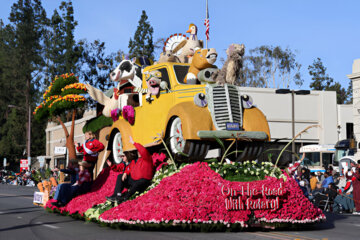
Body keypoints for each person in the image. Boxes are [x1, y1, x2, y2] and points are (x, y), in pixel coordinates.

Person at [106, 136, 155, 203]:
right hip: (134, 181)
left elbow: (143, 150)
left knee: (139, 183)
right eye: (137, 151)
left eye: (139, 151)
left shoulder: (147, 158)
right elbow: (128, 169)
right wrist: (125, 173)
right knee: (120, 176)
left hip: (143, 181)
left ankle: (125, 198)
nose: (138, 152)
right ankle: (117, 195)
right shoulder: (133, 161)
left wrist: (133, 143)